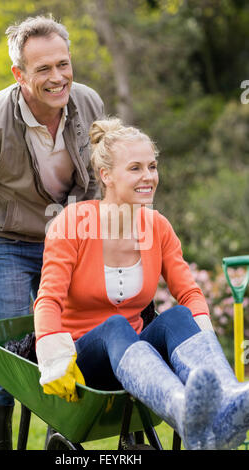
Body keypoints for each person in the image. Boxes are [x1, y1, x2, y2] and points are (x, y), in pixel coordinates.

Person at [34, 117, 249, 450]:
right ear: (106, 175)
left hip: (136, 362)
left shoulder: (157, 226)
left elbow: (189, 293)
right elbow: (48, 299)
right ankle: (182, 408)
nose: (149, 176)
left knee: (178, 316)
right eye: (135, 168)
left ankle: (227, 397)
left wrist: (202, 338)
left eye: (152, 166)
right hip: (82, 362)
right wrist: (52, 357)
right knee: (115, 324)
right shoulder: (73, 222)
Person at [0, 15, 104, 449]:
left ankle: (61, 440)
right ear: (19, 74)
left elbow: (97, 175)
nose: (58, 78)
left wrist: (92, 236)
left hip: (67, 239)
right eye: (43, 69)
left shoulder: (88, 103)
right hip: (5, 242)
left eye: (63, 64)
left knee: (67, 341)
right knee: (10, 353)